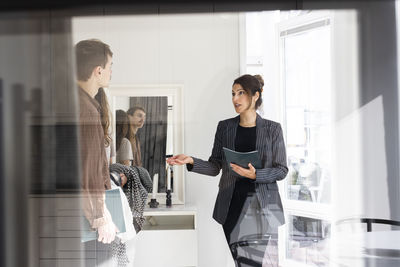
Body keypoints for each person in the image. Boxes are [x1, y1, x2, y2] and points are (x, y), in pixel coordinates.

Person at [167, 74, 288, 266]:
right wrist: (191, 161)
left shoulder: (273, 129)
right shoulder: (225, 127)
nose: (235, 99)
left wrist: (255, 174)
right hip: (232, 207)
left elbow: (281, 170)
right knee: (241, 263)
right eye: (233, 94)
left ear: (255, 96)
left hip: (262, 208)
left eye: (241, 93)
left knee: (256, 263)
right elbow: (215, 166)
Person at [75, 39, 118, 245]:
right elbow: (88, 172)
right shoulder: (87, 111)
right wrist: (101, 218)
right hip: (84, 219)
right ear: (98, 71)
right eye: (110, 67)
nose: (111, 72)